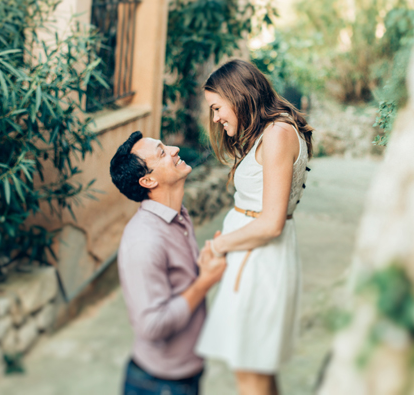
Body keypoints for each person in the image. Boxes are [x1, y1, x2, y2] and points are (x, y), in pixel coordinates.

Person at [195, 59, 314, 395]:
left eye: (217, 107)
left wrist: (219, 245)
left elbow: (271, 222)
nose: (215, 118)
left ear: (238, 96)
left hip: (261, 264)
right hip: (252, 261)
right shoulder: (268, 133)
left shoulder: (277, 135)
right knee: (257, 370)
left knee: (250, 376)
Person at [110, 131, 227, 395]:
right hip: (158, 383)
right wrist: (205, 281)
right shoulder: (144, 239)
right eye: (162, 152)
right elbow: (151, 325)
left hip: (186, 371)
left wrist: (205, 265)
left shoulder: (177, 216)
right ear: (148, 180)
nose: (174, 149)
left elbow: (179, 283)